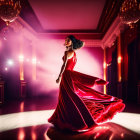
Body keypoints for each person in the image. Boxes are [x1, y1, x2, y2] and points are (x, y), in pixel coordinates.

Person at [48, 35, 125, 132]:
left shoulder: (67, 52)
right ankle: (70, 118)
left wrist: (59, 76)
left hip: (66, 75)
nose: (66, 41)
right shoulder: (74, 53)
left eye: (68, 40)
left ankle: (72, 120)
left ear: (72, 42)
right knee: (69, 96)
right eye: (66, 40)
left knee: (67, 96)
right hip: (70, 75)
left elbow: (64, 66)